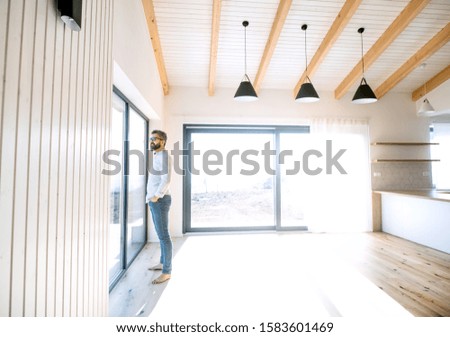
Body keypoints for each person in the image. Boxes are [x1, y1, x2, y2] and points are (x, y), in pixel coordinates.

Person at [146, 130, 173, 284]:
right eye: (151, 138)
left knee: (164, 236)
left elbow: (166, 179)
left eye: (154, 139)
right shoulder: (157, 156)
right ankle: (163, 263)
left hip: (160, 201)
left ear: (162, 141)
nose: (151, 141)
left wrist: (157, 196)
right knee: (161, 235)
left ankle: (167, 271)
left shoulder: (163, 156)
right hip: (154, 200)